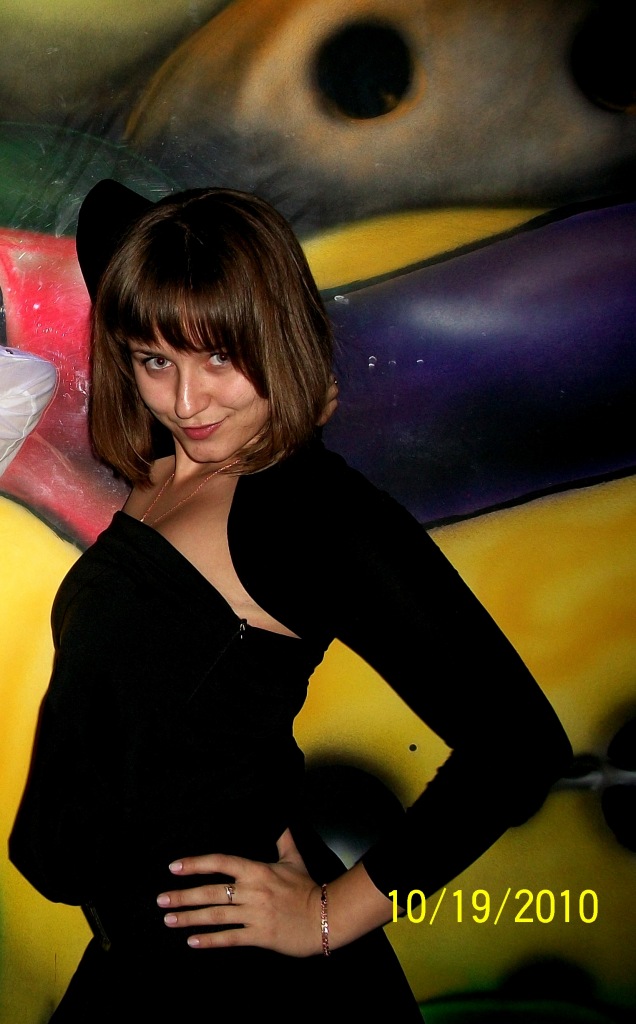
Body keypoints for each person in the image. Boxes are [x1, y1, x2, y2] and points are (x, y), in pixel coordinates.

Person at [10, 181, 572, 1021]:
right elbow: (108, 221)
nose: (187, 402)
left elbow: (519, 746)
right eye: (156, 360)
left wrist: (326, 916)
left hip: (240, 988)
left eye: (220, 359)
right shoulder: (168, 467)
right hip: (132, 965)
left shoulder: (302, 510)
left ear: (277, 339)